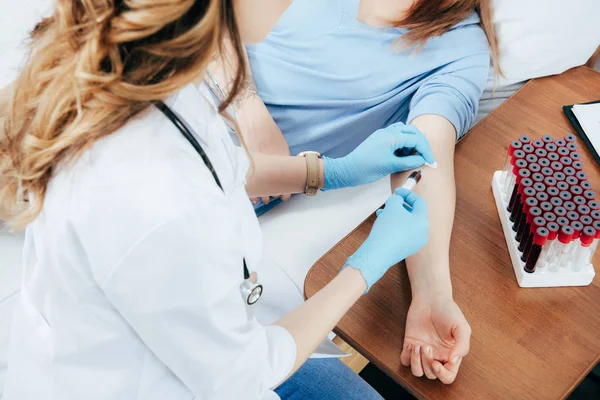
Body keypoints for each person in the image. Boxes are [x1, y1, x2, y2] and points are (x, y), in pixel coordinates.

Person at [0, 1, 439, 399]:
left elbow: (217, 164)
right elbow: (245, 376)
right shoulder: (157, 206)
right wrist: (364, 266)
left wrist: (329, 171)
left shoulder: (157, 73)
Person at [211, 0, 498, 383]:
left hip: (221, 191)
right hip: (160, 114)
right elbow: (208, 21)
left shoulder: (459, 49)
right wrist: (249, 111)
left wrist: (433, 294)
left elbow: (427, 156)